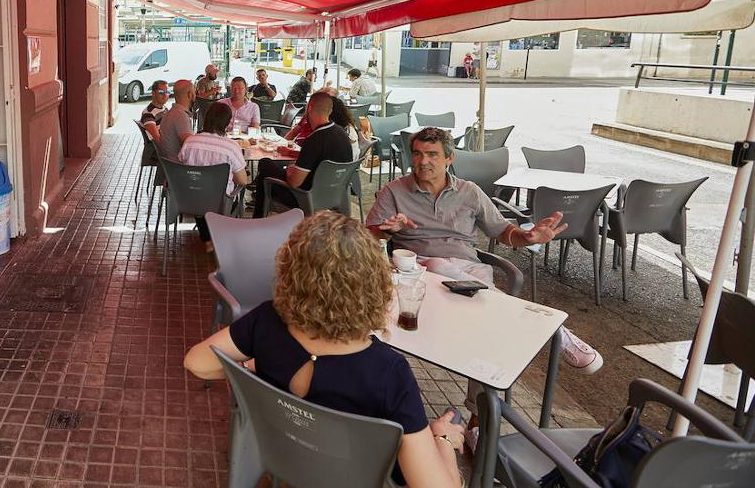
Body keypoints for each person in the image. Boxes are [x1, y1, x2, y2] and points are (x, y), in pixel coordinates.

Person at [184, 212, 465, 488]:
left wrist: (250, 369)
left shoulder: (267, 322)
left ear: (291, 271)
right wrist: (441, 440)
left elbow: (197, 362)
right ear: (373, 283)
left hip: (285, 456)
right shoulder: (389, 373)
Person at [364, 127, 604, 446]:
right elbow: (368, 238)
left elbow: (504, 231)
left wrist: (528, 236)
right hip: (418, 278)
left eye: (433, 154)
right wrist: (384, 231)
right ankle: (550, 329)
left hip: (471, 275)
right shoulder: (394, 191)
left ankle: (477, 421)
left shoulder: (470, 192)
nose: (423, 161)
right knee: (440, 266)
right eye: (418, 153)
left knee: (490, 334)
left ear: (449, 158)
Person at [253, 92, 353, 217]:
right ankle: (258, 218)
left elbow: (294, 182)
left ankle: (258, 217)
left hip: (304, 197)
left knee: (265, 164)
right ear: (330, 110)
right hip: (334, 194)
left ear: (309, 108)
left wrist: (290, 170)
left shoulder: (315, 139)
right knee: (273, 169)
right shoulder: (341, 134)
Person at [178, 102, 250, 248]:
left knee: (200, 192)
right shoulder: (231, 146)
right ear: (227, 123)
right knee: (233, 192)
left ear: (207, 118)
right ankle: (220, 237)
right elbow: (242, 181)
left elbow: (182, 167)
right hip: (220, 202)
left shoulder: (190, 142)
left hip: (190, 200)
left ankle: (207, 237)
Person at [155, 79, 195, 162]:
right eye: (194, 92)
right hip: (178, 167)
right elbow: (190, 147)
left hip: (170, 165)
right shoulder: (180, 116)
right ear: (190, 94)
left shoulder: (172, 112)